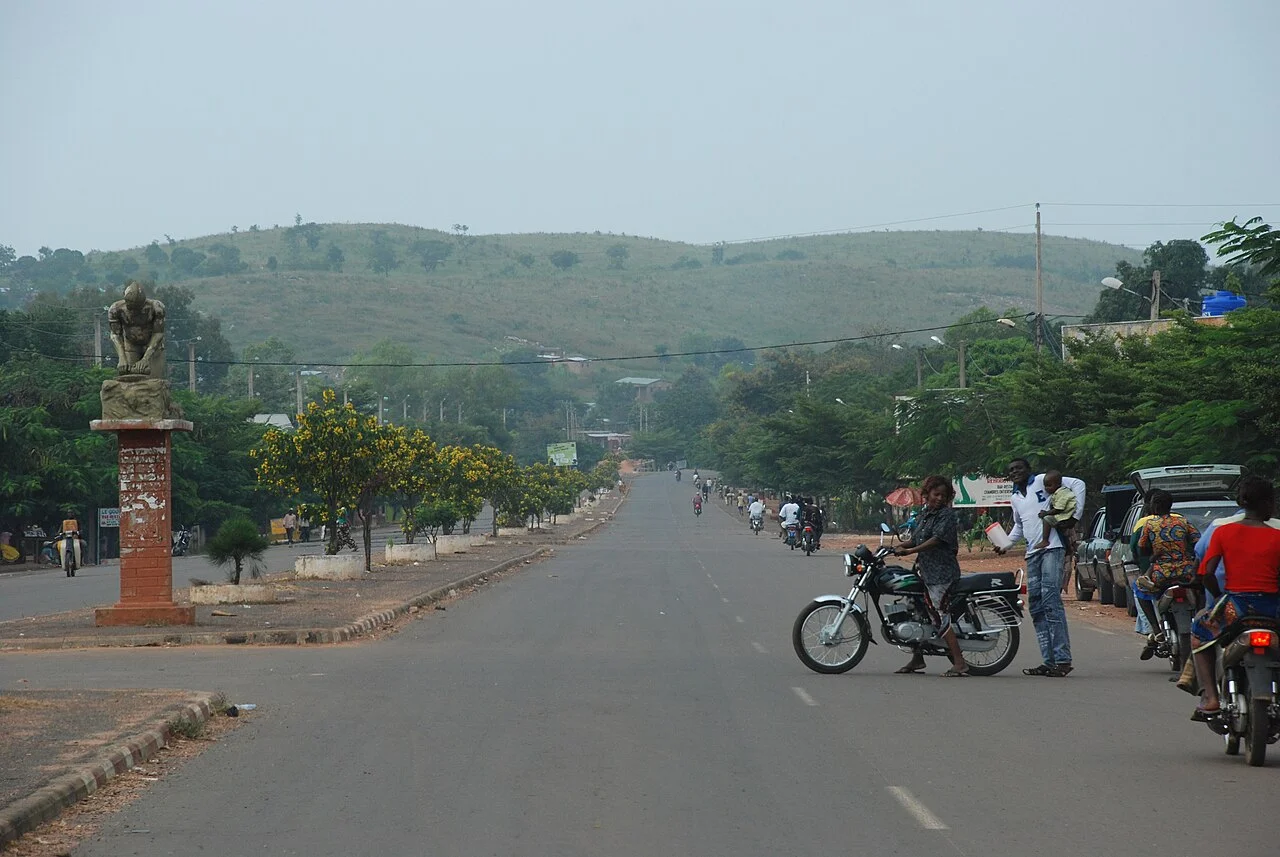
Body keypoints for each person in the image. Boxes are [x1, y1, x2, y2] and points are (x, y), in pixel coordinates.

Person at [1188, 476, 1280, 720]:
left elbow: (1206, 574)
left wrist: (1219, 599)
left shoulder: (1223, 532)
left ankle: (1210, 697)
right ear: (1268, 503)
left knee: (1198, 635)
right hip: (1273, 609)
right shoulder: (1277, 536)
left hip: (1235, 607)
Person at [995, 458, 1085, 677]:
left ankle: (1063, 660)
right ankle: (1048, 660)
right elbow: (1019, 524)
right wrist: (1005, 544)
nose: (1015, 472)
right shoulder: (1015, 497)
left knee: (1051, 601)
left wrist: (1074, 516)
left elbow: (1079, 484)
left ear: (1028, 470)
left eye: (1019, 468)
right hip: (1032, 552)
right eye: (1011, 470)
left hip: (1052, 548)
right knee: (1035, 606)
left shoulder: (1042, 481)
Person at [892, 475, 970, 677]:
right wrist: (894, 548)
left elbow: (935, 540)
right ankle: (918, 658)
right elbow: (917, 538)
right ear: (926, 495)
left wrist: (910, 551)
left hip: (941, 574)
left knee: (938, 615)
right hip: (923, 571)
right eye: (936, 494)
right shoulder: (924, 514)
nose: (940, 498)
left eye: (943, 495)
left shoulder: (946, 516)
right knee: (916, 611)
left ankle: (959, 662)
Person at [1131, 489, 1200, 659]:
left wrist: (1154, 554)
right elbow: (1198, 542)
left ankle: (1156, 631)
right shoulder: (1183, 521)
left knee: (1139, 589)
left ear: (1154, 506)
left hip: (1162, 574)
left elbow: (1141, 549)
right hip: (1186, 573)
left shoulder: (1149, 525)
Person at [1035, 471, 1077, 552]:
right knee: (1064, 534)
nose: (1046, 488)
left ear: (1058, 484)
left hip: (1065, 516)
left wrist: (1046, 513)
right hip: (1064, 515)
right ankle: (1069, 548)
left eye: (1049, 485)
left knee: (1047, 519)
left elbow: (1059, 509)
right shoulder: (1057, 493)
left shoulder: (1062, 493)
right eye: (1045, 486)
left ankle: (1045, 540)